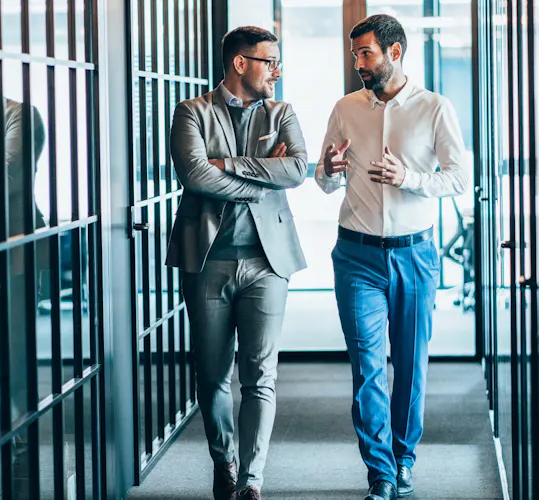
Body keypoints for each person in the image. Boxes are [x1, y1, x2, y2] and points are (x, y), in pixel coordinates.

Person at [315, 14, 469, 500]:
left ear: (395, 52)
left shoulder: (434, 108)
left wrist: (412, 179)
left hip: (415, 254)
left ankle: (404, 457)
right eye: (355, 53)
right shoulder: (344, 108)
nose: (358, 62)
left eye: (366, 53)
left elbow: (461, 180)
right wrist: (329, 170)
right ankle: (379, 470)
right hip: (356, 255)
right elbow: (323, 179)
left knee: (409, 362)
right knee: (367, 366)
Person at [166, 25, 308, 500]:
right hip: (208, 260)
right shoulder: (191, 112)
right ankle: (223, 458)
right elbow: (194, 174)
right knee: (211, 374)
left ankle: (251, 479)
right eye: (270, 61)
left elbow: (297, 170)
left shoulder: (281, 111)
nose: (278, 71)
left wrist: (227, 164)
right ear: (241, 63)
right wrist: (261, 179)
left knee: (260, 375)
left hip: (269, 263)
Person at [0, 35, 52, 499]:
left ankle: (23, 456)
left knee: (10, 361)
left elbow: (2, 180)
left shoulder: (19, 114)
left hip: (9, 255)